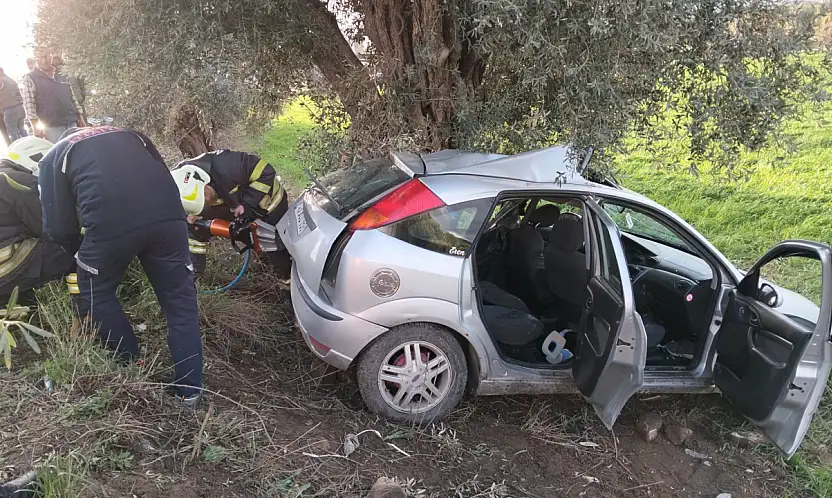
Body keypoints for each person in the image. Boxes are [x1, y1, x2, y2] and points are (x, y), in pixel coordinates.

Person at [38, 125, 203, 407]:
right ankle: (189, 392)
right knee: (180, 304)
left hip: (110, 225)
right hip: (169, 218)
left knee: (95, 292)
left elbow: (58, 227)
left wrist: (79, 251)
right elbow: (163, 175)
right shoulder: (130, 134)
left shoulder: (55, 155)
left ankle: (131, 364)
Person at [171, 149, 290, 279]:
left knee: (276, 245)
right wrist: (188, 218)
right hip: (230, 206)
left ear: (203, 181)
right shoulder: (178, 183)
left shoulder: (227, 165)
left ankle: (286, 278)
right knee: (192, 228)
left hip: (268, 203)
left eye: (204, 195)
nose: (207, 200)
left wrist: (248, 203)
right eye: (202, 203)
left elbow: (267, 171)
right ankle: (192, 275)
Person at [0, 137, 76, 306]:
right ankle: (86, 305)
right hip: (5, 266)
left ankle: (23, 306)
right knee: (73, 249)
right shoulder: (21, 181)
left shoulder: (4, 177)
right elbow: (49, 228)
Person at [20, 50, 86, 143]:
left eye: (46, 56)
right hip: (52, 126)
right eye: (40, 57)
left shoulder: (62, 73)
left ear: (51, 56)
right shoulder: (30, 78)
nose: (44, 60)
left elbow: (72, 97)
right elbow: (29, 104)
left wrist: (80, 117)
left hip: (72, 122)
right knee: (59, 151)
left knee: (76, 149)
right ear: (35, 59)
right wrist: (35, 127)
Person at [0, 68, 28, 143]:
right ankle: (28, 145)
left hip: (9, 110)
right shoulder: (10, 80)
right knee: (22, 130)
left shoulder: (1, 80)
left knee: (13, 134)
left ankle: (18, 148)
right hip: (20, 108)